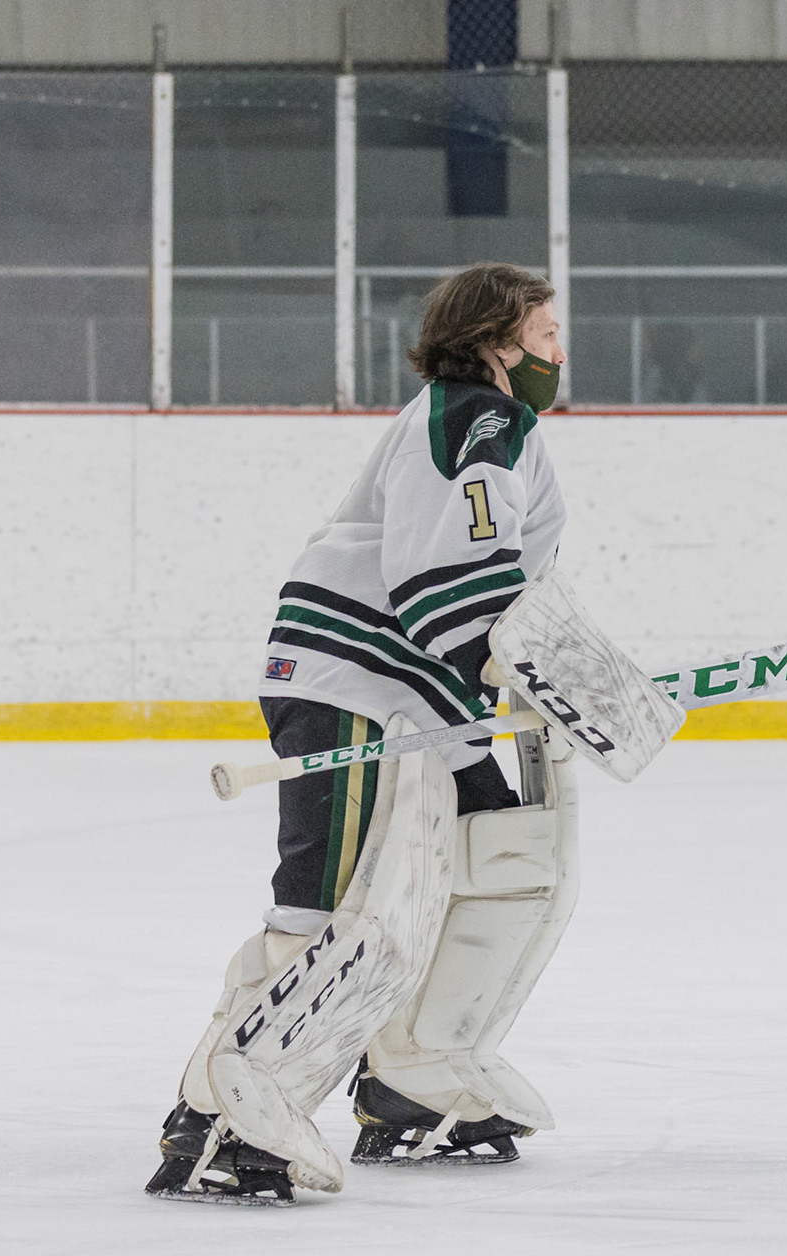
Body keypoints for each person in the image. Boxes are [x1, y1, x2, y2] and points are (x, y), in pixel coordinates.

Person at [147, 262, 571, 1202]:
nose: (559, 350)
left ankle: (412, 1075)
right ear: (497, 343)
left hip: (424, 695)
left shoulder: (506, 428)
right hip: (358, 684)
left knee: (498, 855)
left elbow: (504, 590)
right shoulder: (475, 418)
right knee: (332, 905)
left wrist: (546, 664)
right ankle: (223, 1113)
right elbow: (446, 583)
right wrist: (517, 663)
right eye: (545, 334)